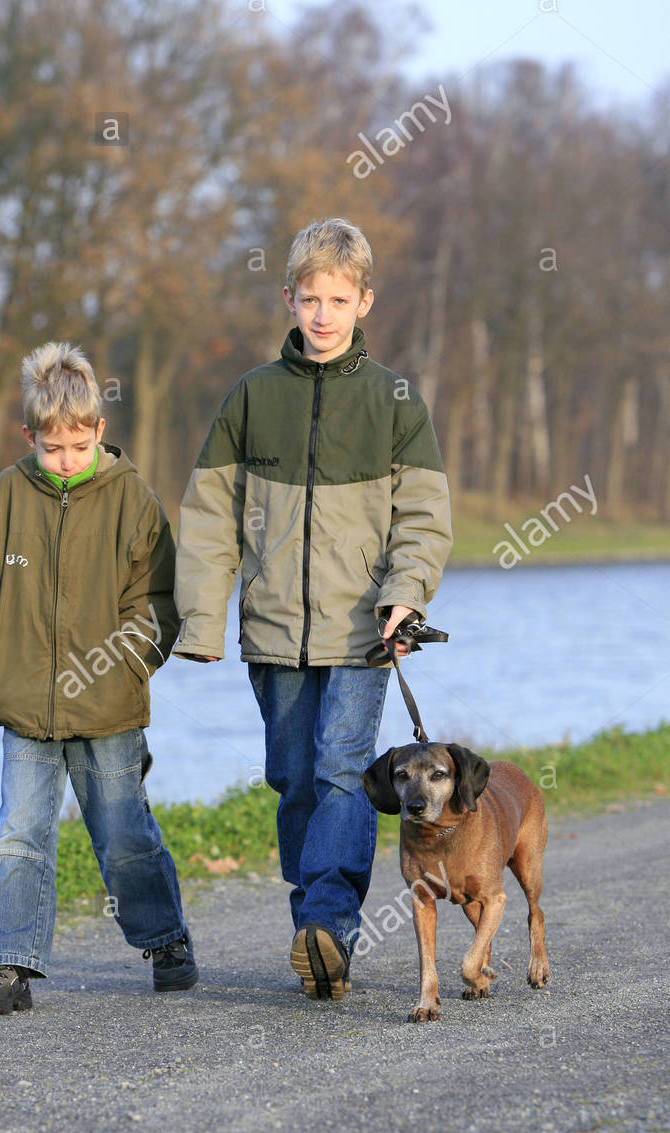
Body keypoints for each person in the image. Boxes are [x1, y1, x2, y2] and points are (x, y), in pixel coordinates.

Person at [173, 217, 452, 1000]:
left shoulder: (396, 400)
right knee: (294, 779)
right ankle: (318, 939)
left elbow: (424, 515)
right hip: (271, 634)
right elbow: (206, 518)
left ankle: (329, 923)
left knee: (341, 773)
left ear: (365, 300)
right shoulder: (252, 397)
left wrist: (405, 592)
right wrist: (201, 622)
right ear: (288, 297)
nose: (323, 313)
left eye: (339, 298)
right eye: (309, 298)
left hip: (365, 632)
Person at [0, 341, 197, 1013]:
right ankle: (8, 965)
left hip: (110, 707)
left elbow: (158, 604)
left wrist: (124, 667)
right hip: (24, 709)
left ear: (99, 431)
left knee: (124, 835)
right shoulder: (2, 499)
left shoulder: (135, 501)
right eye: (51, 447)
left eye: (78, 445)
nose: (65, 460)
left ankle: (166, 940)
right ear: (28, 436)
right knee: (19, 833)